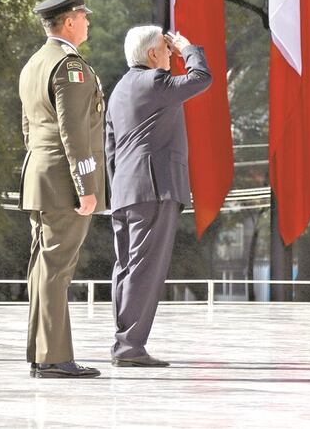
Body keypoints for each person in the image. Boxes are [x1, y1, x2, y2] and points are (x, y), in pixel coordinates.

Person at [105, 26, 212, 366]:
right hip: (154, 187)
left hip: (125, 189)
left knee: (126, 267)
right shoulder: (154, 82)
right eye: (166, 49)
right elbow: (201, 78)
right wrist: (189, 47)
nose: (170, 55)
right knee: (145, 269)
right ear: (152, 55)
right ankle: (129, 347)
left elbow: (109, 149)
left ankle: (125, 341)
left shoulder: (120, 89)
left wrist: (118, 187)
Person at [19, 0, 105, 379]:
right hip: (62, 183)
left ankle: (42, 353)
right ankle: (54, 357)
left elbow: (28, 128)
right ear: (68, 22)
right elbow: (74, 132)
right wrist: (86, 187)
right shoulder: (71, 66)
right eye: (83, 16)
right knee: (56, 270)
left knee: (43, 266)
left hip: (40, 176)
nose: (87, 21)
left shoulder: (34, 62)